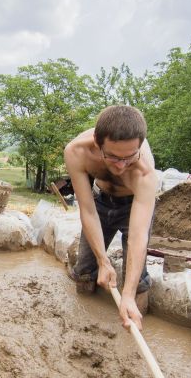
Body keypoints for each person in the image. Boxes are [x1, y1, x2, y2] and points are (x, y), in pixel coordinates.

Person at [64, 105, 158, 331]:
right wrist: (103, 261)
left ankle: (133, 325)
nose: (121, 165)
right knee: (85, 272)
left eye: (129, 158)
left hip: (132, 206)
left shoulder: (145, 173)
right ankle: (82, 326)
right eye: (113, 157)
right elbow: (86, 210)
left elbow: (137, 237)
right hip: (100, 202)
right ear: (98, 142)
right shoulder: (77, 151)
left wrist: (127, 295)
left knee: (137, 282)